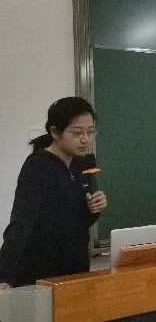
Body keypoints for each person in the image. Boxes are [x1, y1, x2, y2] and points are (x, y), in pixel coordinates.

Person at [0, 97, 108, 287]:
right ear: (55, 132)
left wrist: (94, 208)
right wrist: (4, 277)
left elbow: (78, 220)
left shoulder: (80, 163)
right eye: (77, 133)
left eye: (91, 132)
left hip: (75, 268)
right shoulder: (37, 167)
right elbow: (21, 224)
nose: (86, 139)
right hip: (41, 274)